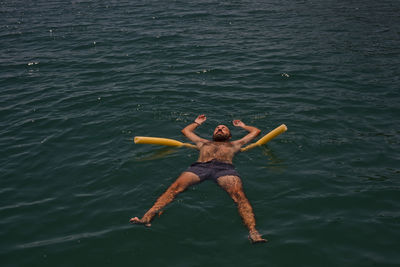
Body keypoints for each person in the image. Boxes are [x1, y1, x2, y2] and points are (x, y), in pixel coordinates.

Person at [130, 114, 267, 243]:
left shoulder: (235, 144)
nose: (219, 129)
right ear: (213, 134)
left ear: (229, 135)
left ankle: (253, 232)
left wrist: (242, 126)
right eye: (217, 128)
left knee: (239, 196)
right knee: (174, 188)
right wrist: (196, 123)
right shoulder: (203, 143)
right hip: (199, 167)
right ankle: (146, 218)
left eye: (223, 128)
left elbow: (256, 132)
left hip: (225, 169)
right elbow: (186, 131)